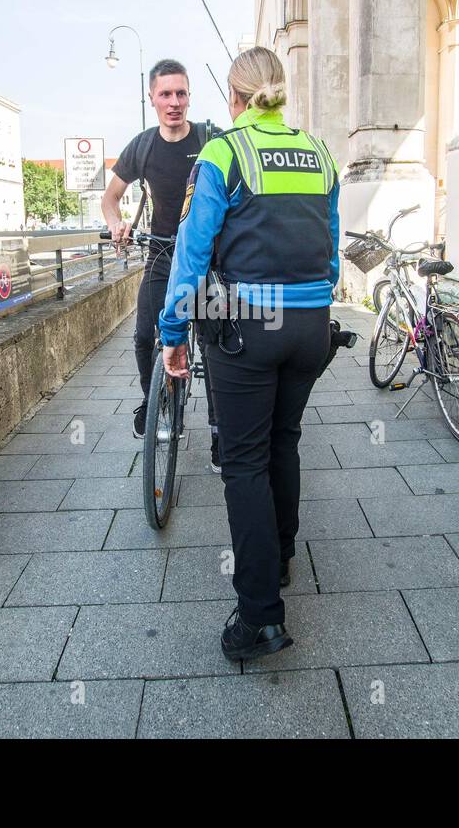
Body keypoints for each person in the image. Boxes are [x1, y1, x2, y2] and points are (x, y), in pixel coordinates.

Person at [158, 46, 340, 660]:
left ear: (233, 99)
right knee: (283, 441)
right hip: (312, 324)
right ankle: (281, 558)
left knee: (243, 461)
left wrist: (173, 334)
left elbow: (191, 253)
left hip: (247, 326)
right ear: (280, 93)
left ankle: (259, 615)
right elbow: (332, 249)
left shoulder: (222, 153)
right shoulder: (319, 154)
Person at [102, 60, 222, 465]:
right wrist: (117, 224)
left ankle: (220, 430)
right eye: (166, 94)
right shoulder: (143, 145)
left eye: (181, 93)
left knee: (213, 344)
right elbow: (110, 198)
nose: (174, 102)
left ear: (190, 96)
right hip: (161, 254)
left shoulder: (211, 139)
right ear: (151, 98)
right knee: (142, 336)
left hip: (207, 260)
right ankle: (153, 401)